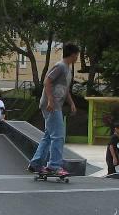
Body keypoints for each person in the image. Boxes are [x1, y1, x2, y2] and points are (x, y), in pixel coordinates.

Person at [28, 43, 80, 177]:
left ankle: (36, 163)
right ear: (73, 54)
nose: (77, 58)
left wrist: (72, 103)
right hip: (51, 105)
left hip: (56, 104)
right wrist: (50, 100)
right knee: (58, 135)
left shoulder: (68, 70)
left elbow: (65, 89)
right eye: (77, 55)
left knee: (48, 136)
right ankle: (54, 166)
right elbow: (47, 81)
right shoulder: (60, 66)